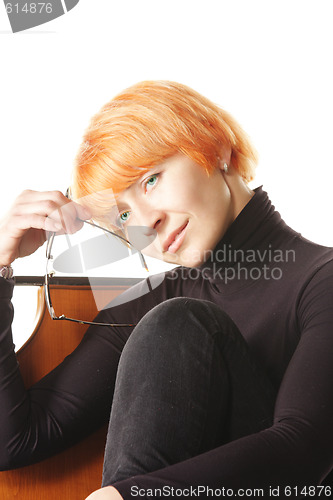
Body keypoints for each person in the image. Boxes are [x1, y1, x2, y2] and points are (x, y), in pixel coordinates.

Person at [0, 81, 332, 500]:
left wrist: (130, 494)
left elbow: (304, 450)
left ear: (218, 149)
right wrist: (0, 265)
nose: (145, 221)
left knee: (177, 321)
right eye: (122, 214)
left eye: (151, 180)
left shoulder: (323, 281)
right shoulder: (140, 309)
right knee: (170, 320)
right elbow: (14, 441)